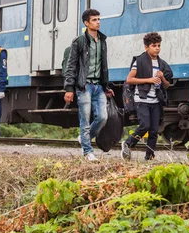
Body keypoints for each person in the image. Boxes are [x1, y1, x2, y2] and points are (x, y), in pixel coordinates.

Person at [64, 9, 113, 162]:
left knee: (103, 117)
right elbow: (71, 66)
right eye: (94, 20)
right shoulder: (79, 41)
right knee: (84, 120)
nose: (98, 22)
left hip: (98, 86)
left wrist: (106, 86)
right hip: (84, 86)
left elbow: (103, 65)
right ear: (86, 23)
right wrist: (69, 88)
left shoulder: (102, 41)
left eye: (99, 19)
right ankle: (87, 152)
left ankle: (84, 138)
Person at [122, 32, 173, 161]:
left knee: (154, 129)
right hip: (142, 99)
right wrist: (149, 80)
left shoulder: (162, 64)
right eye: (154, 45)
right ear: (146, 47)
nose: (157, 48)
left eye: (159, 46)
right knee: (145, 125)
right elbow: (130, 79)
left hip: (156, 100)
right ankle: (128, 143)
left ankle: (149, 155)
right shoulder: (139, 61)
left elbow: (166, 85)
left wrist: (162, 78)